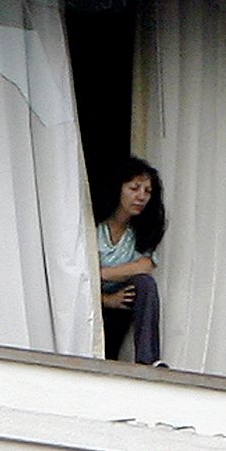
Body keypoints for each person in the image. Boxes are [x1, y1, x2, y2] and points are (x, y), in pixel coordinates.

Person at [95, 156, 167, 366]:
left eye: (147, 191)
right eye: (135, 188)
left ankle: (148, 360)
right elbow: (75, 278)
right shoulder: (94, 226)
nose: (141, 197)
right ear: (118, 187)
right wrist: (107, 299)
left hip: (121, 301)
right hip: (91, 302)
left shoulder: (139, 231)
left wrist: (101, 273)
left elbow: (145, 265)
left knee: (145, 284)